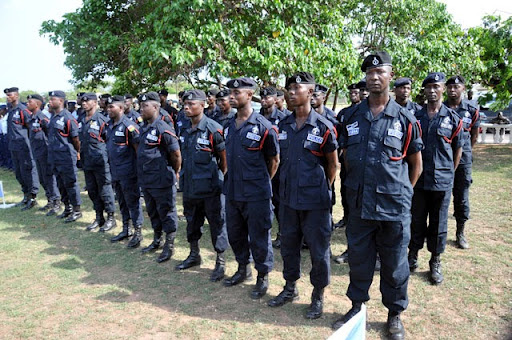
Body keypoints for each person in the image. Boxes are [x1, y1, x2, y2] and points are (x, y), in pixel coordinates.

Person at [332, 52, 424, 340]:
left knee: (395, 262)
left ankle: (394, 314)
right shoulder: (350, 116)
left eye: (379, 72)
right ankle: (357, 307)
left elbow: (416, 165)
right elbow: (345, 158)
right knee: (359, 259)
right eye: (369, 73)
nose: (374, 77)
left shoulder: (406, 118)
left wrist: (400, 192)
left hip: (393, 206)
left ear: (390, 75)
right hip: (359, 204)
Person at [267, 72, 339, 320]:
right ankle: (290, 288)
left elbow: (332, 165)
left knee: (319, 252)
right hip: (288, 199)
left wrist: (322, 189)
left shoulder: (324, 127)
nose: (291, 92)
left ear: (310, 93)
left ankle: (318, 295)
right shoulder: (283, 126)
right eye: (289, 88)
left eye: (297, 88)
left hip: (315, 202)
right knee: (288, 247)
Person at [222, 77, 279, 300]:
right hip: (233, 191)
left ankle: (262, 275)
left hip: (256, 194)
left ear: (249, 95)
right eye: (230, 93)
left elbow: (273, 161)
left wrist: (260, 181)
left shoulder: (264, 127)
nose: (231, 97)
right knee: (235, 234)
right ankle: (242, 268)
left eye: (237, 93)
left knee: (259, 236)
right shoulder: (228, 126)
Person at [409, 73, 463, 285]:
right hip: (420, 181)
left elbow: (458, 148)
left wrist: (449, 171)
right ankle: (412, 256)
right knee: (417, 219)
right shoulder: (416, 117)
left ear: (442, 89)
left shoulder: (452, 118)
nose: (432, 91)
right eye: (428, 87)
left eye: (436, 87)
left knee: (439, 223)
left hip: (442, 180)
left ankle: (435, 261)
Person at [174, 89, 229, 282]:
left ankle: (220, 262)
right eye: (184, 105)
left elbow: (224, 162)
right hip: (190, 187)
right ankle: (194, 254)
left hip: (211, 189)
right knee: (192, 223)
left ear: (203, 105)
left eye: (191, 104)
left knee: (217, 225)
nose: (186, 108)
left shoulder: (213, 129)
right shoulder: (185, 129)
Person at [137, 92, 181, 263]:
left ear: (155, 107)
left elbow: (176, 154)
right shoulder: (144, 127)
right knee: (152, 211)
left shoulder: (163, 128)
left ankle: (169, 246)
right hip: (147, 179)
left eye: (144, 106)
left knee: (167, 211)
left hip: (161, 179)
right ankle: (157, 239)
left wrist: (174, 172)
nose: (141, 109)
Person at [444, 75, 480, 249]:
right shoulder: (440, 107)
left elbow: (474, 135)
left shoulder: (471, 109)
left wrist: (465, 151)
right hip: (442, 158)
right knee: (438, 197)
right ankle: (436, 232)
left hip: (463, 160)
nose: (452, 90)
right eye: (449, 87)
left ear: (463, 89)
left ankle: (460, 232)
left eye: (456, 87)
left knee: (461, 198)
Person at [105, 95, 144, 246]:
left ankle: (138, 231)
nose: (108, 110)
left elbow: (138, 150)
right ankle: (125, 228)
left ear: (121, 108)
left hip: (129, 172)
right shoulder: (109, 125)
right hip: (115, 171)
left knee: (132, 202)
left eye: (111, 107)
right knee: (121, 201)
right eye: (107, 107)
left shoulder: (129, 126)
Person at [79, 93, 117, 232]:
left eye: (87, 101)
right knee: (93, 191)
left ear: (94, 102)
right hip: (87, 160)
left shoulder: (102, 119)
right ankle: (99, 217)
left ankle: (111, 218)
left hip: (101, 162)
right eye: (83, 101)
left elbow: (109, 141)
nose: (84, 103)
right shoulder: (82, 119)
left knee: (105, 190)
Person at [333, 83, 361, 264]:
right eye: (351, 92)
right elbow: (341, 140)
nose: (355, 94)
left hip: (378, 178)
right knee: (351, 207)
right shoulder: (347, 114)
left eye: (358, 91)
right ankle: (351, 250)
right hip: (351, 171)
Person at [259, 86, 288, 249]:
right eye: (262, 98)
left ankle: (282, 234)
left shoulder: (284, 118)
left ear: (275, 99)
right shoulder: (256, 118)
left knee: (279, 202)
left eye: (267, 97)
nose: (264, 100)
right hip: (261, 166)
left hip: (279, 167)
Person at [47, 90, 83, 222]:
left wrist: (77, 152)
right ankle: (67, 207)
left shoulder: (68, 117)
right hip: (55, 156)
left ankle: (77, 210)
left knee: (71, 183)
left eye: (52, 100)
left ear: (60, 101)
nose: (50, 102)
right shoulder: (54, 116)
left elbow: (75, 138)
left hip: (66, 156)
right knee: (60, 183)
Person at [4, 87, 40, 210]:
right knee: (19, 172)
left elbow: (30, 128)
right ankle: (25, 195)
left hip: (24, 146)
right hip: (14, 146)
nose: (8, 97)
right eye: (7, 95)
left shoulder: (23, 110)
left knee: (28, 170)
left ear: (17, 96)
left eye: (10, 95)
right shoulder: (11, 110)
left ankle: (33, 197)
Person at [26, 94, 61, 215]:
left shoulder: (43, 118)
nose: (27, 104)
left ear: (37, 104)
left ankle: (56, 201)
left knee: (49, 177)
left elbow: (49, 134)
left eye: (30, 102)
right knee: (42, 178)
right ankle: (50, 199)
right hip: (36, 152)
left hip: (45, 152)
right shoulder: (32, 117)